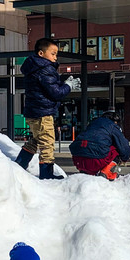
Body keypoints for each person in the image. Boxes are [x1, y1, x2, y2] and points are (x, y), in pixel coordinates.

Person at [13, 38, 80, 180]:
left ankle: (19, 164)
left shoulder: (34, 68)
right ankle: (46, 174)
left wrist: (65, 84)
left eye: (56, 54)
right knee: (47, 143)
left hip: (34, 111)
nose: (55, 57)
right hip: (42, 112)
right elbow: (55, 92)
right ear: (41, 53)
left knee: (37, 140)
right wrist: (68, 85)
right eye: (53, 53)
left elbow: (49, 88)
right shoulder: (45, 69)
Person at [70, 111, 130, 180]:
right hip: (96, 161)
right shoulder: (112, 126)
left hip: (78, 160)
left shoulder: (92, 124)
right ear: (115, 121)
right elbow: (124, 147)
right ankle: (106, 172)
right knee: (116, 149)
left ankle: (86, 172)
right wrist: (125, 158)